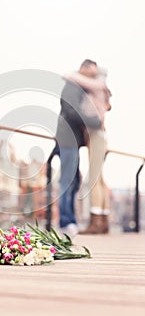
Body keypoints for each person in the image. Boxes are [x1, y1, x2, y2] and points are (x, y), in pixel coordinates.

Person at [55, 59, 102, 237]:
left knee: (73, 182)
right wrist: (94, 122)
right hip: (67, 140)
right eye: (91, 71)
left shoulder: (79, 87)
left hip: (72, 140)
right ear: (83, 68)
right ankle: (65, 223)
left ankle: (70, 221)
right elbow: (71, 111)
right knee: (66, 181)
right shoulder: (72, 86)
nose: (93, 75)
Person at [64, 63, 112, 234]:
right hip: (97, 135)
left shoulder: (98, 83)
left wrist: (73, 73)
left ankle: (96, 221)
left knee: (93, 177)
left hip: (96, 134)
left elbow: (71, 76)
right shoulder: (98, 86)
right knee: (99, 178)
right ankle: (103, 221)